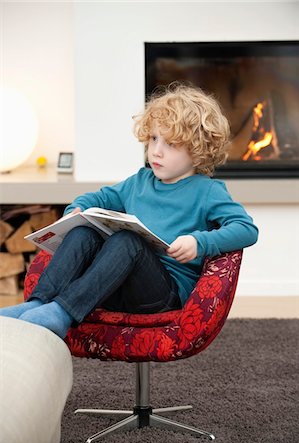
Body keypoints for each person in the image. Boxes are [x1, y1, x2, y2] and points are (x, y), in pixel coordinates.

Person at [0, 83, 258, 338]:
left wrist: (199, 242)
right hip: (111, 287)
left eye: (170, 144)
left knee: (127, 241)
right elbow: (100, 197)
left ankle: (61, 314)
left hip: (161, 296)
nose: (156, 150)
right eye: (154, 139)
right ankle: (38, 305)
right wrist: (77, 208)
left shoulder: (207, 191)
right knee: (83, 232)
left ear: (198, 151)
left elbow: (246, 229)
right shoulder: (140, 181)